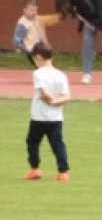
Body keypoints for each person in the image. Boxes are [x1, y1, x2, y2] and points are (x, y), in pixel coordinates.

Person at [43, 0, 102, 85]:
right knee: (88, 43)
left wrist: (74, 13)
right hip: (90, 17)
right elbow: (80, 11)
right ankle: (87, 74)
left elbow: (89, 8)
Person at [23, 43, 70, 183]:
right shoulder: (61, 75)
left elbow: (43, 93)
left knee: (33, 142)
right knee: (57, 144)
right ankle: (63, 172)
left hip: (39, 116)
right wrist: (56, 102)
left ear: (38, 57)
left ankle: (35, 168)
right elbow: (67, 97)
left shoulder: (38, 73)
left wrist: (50, 101)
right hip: (56, 117)